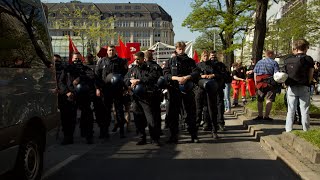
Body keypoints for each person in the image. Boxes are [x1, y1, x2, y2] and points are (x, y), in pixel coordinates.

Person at [163, 42, 201, 143]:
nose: (181, 50)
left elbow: (196, 72)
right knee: (173, 114)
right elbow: (166, 74)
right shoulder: (170, 61)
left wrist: (187, 77)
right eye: (179, 49)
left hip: (187, 90)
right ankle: (173, 136)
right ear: (176, 49)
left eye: (183, 49)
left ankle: (194, 135)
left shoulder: (190, 61)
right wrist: (177, 78)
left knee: (190, 113)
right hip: (174, 90)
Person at [124, 51, 161, 145]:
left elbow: (154, 77)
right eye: (135, 59)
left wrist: (139, 80)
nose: (136, 61)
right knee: (138, 119)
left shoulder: (150, 68)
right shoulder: (132, 69)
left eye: (138, 59)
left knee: (150, 119)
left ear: (143, 59)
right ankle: (142, 138)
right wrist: (130, 81)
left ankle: (155, 138)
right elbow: (125, 79)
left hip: (146, 97)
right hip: (135, 98)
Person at [59, 52, 96, 144]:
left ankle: (88, 136)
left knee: (87, 117)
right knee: (68, 118)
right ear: (72, 59)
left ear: (82, 59)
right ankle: (68, 137)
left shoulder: (86, 69)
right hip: (71, 95)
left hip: (84, 96)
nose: (77, 60)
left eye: (79, 59)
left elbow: (91, 78)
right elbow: (61, 82)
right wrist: (67, 92)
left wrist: (80, 78)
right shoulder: (67, 69)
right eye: (75, 59)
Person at [95, 45, 128, 138]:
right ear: (107, 51)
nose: (111, 52)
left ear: (115, 51)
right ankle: (104, 131)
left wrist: (125, 88)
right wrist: (98, 88)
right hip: (106, 90)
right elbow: (97, 75)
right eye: (110, 50)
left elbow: (126, 75)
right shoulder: (102, 61)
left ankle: (122, 130)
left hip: (117, 90)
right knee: (105, 111)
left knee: (119, 111)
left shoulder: (121, 61)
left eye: (113, 50)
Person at [284, 39, 314, 132]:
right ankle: (306, 129)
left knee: (291, 109)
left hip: (291, 87)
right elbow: (311, 73)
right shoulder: (308, 59)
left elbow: (285, 74)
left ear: (295, 48)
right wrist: (308, 83)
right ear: (305, 48)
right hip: (304, 86)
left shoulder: (288, 59)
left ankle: (288, 129)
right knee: (304, 109)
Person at [195, 50, 220, 139]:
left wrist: (212, 75)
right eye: (204, 56)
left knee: (212, 110)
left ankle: (214, 131)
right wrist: (202, 76)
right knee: (198, 111)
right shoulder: (197, 65)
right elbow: (195, 75)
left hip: (211, 89)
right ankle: (195, 133)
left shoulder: (213, 65)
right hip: (200, 89)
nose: (205, 57)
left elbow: (218, 74)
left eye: (207, 56)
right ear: (201, 56)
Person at [253, 50, 279, 121]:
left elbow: (255, 73)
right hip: (270, 84)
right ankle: (266, 116)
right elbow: (276, 74)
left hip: (260, 83)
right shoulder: (274, 62)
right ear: (270, 54)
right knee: (269, 99)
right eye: (273, 54)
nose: (274, 56)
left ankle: (260, 115)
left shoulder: (259, 62)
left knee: (260, 100)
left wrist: (256, 83)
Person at [145, 50, 164, 136]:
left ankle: (152, 131)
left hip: (147, 92)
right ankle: (158, 130)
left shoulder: (144, 66)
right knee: (157, 112)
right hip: (156, 91)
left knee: (149, 113)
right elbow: (161, 78)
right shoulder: (157, 66)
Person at [210, 51, 227, 131]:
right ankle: (209, 123)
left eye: (214, 56)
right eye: (211, 56)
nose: (213, 57)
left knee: (220, 105)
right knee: (209, 106)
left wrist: (215, 75)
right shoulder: (207, 64)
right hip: (209, 88)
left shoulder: (221, 65)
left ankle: (220, 123)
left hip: (218, 87)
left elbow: (224, 75)